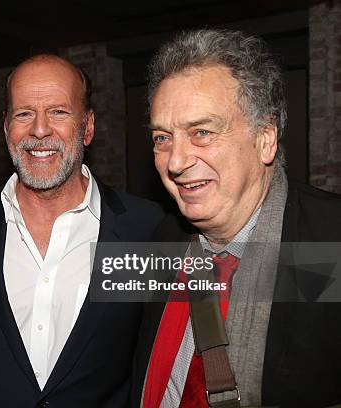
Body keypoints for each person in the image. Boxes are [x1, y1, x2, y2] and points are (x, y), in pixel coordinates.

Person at [132, 29, 341, 407]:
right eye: (163, 138)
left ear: (265, 140)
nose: (176, 162)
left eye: (202, 132)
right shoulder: (161, 238)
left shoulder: (328, 243)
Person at [0, 54, 163, 407]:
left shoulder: (143, 229)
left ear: (88, 126)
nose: (40, 130)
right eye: (23, 113)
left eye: (59, 112)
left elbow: (161, 350)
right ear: (6, 128)